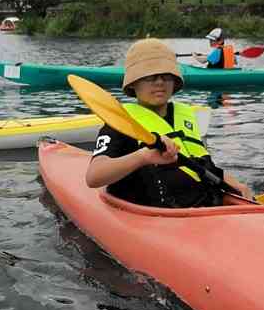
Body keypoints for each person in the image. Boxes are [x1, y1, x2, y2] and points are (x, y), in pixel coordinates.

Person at [86, 38, 252, 208]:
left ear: (174, 82)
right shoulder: (122, 122)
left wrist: (236, 184)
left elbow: (200, 163)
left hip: (202, 209)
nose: (159, 82)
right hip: (153, 215)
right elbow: (94, 176)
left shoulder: (185, 115)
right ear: (133, 83)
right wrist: (143, 157)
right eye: (150, 76)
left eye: (166, 76)